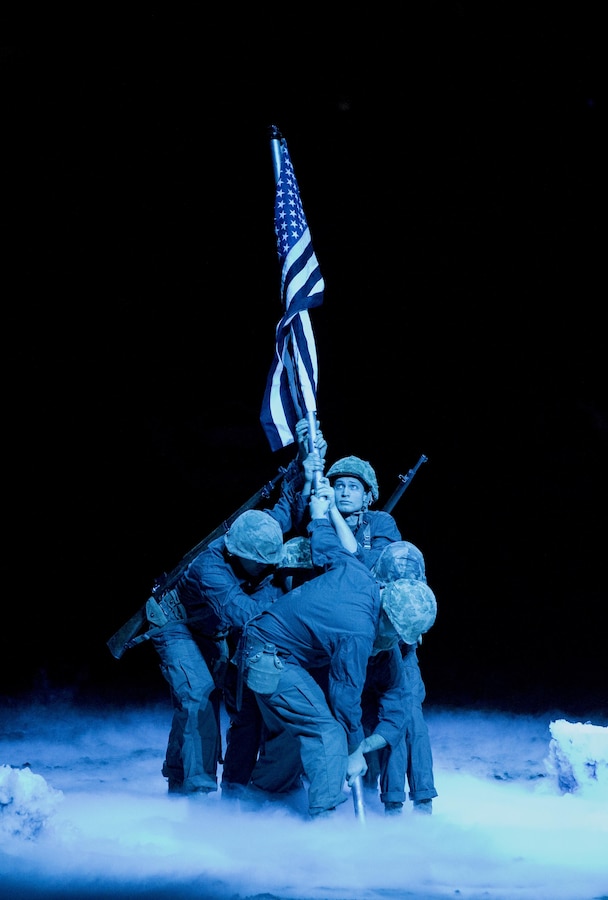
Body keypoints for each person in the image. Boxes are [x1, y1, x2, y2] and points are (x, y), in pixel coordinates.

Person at [240, 479, 437, 819]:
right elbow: (346, 699)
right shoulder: (358, 631)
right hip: (267, 654)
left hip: (287, 656)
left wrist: (321, 517)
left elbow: (329, 548)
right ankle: (324, 819)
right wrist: (354, 751)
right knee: (327, 731)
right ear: (388, 615)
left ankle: (261, 796)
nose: (395, 643)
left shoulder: (364, 580)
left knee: (299, 729)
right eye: (396, 633)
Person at [147, 425, 325, 798]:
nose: (269, 569)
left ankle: (205, 779)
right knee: (198, 693)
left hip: (211, 630)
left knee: (240, 704)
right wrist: (295, 610)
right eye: (262, 565)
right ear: (238, 556)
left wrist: (303, 467)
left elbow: (285, 509)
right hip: (176, 624)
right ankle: (195, 789)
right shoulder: (210, 567)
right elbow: (241, 612)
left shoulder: (256, 534)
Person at [364, 540, 439, 815]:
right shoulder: (368, 565)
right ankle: (392, 797)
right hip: (374, 653)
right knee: (387, 721)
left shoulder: (402, 556)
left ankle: (415, 801)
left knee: (408, 720)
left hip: (401, 655)